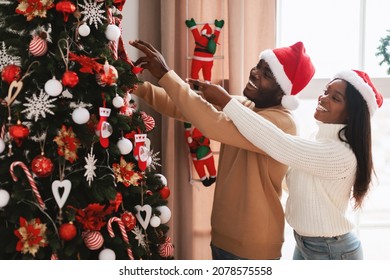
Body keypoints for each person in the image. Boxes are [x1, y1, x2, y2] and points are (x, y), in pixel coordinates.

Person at [129, 40, 315, 259]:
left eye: (267, 74)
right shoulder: (245, 107)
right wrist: (136, 86)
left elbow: (214, 124)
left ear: (283, 92)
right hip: (222, 238)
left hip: (254, 247)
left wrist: (167, 74)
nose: (255, 73)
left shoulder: (283, 123)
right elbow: (183, 107)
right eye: (258, 66)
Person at [192, 69, 383, 260]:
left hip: (331, 251)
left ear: (350, 114)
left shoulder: (339, 154)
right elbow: (291, 175)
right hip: (305, 243)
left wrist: (227, 103)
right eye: (325, 91)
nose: (323, 98)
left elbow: (279, 142)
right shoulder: (317, 140)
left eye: (335, 98)